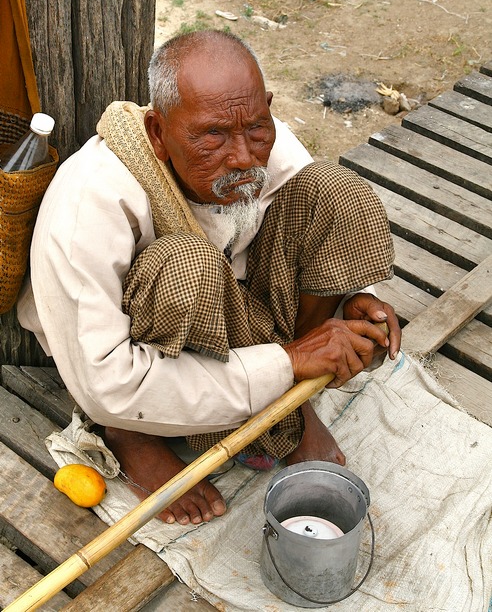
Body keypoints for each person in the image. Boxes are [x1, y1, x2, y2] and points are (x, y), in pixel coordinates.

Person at [18, 29, 400, 527]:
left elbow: (325, 228)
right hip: (135, 353)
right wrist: (288, 361)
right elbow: (103, 384)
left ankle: (290, 402)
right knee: (188, 264)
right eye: (211, 137)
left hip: (240, 306)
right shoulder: (88, 200)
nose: (242, 156)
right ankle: (134, 436)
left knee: (337, 192)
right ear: (158, 133)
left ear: (265, 108)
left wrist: (352, 301)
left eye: (256, 128)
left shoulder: (262, 137)